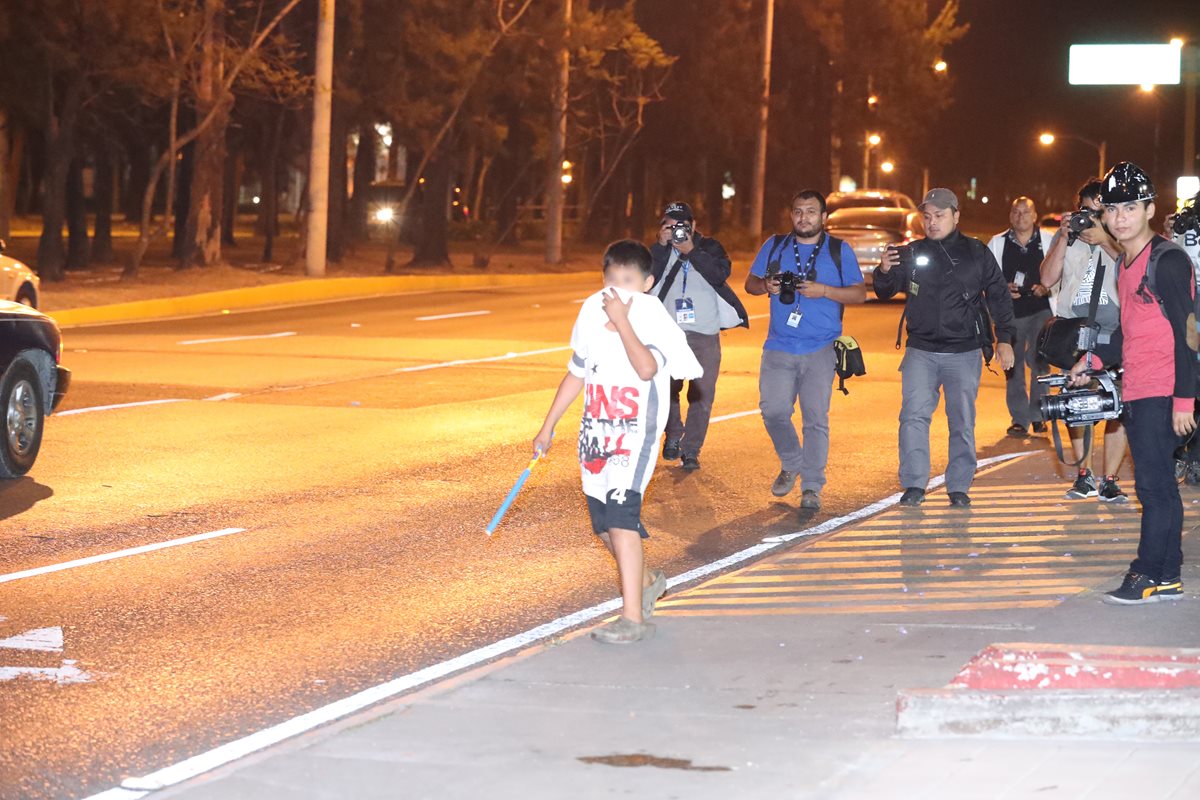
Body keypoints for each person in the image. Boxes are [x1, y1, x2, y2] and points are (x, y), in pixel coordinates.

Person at [533, 240, 702, 642]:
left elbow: (646, 369)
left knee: (621, 521)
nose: (617, 289)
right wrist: (547, 426)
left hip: (634, 436)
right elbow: (576, 373)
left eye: (628, 280)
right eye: (611, 280)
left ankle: (633, 619)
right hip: (596, 435)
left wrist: (623, 322)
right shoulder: (592, 315)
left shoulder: (652, 318)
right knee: (604, 527)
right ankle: (647, 582)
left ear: (646, 283)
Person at [1084, 163, 1197, 604]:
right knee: (1158, 486)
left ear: (1150, 209)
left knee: (1152, 488)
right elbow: (1132, 330)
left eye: (1130, 207)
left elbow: (1188, 333)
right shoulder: (1126, 263)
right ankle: (1167, 575)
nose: (1120, 217)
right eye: (1113, 209)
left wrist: (1184, 399)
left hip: (1164, 389)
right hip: (1138, 387)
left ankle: (1146, 572)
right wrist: (1093, 360)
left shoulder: (1167, 260)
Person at [873, 188, 1016, 508]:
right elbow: (886, 290)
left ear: (956, 216)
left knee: (961, 421)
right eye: (927, 216)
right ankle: (914, 484)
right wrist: (883, 271)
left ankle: (959, 486)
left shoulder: (976, 252)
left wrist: (1005, 338)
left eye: (939, 215)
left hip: (963, 352)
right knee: (912, 417)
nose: (932, 222)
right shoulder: (912, 252)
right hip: (920, 350)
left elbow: (998, 296)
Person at [744, 190, 866, 511]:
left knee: (815, 419)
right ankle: (791, 460)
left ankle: (812, 485)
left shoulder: (839, 250)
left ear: (823, 217)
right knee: (773, 411)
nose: (804, 217)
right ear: (791, 214)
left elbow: (859, 294)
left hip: (821, 346)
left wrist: (824, 290)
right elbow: (750, 284)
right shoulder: (776, 245)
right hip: (779, 345)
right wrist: (765, 286)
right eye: (798, 211)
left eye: (811, 212)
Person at [1039, 179, 1129, 502]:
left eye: (1098, 211)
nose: (1090, 217)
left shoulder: (1123, 236)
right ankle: (1084, 476)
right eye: (1085, 210)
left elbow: (1133, 269)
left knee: (1118, 406)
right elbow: (1047, 278)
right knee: (1076, 405)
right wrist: (1064, 237)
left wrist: (1105, 239)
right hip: (1074, 333)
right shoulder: (1067, 237)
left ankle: (1110, 479)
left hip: (1115, 332)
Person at [650, 201, 748, 472]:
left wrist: (691, 251)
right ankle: (673, 433)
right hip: (668, 333)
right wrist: (660, 247)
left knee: (702, 395)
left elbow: (719, 274)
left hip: (705, 332)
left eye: (681, 224)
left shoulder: (710, 247)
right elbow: (645, 280)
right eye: (669, 225)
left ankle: (691, 449)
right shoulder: (657, 251)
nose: (676, 230)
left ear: (693, 225)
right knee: (665, 389)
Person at [986, 197, 1055, 438]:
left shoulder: (1049, 240)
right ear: (1010, 215)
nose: (1020, 217)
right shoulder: (997, 243)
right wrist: (1003, 288)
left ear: (1035, 215)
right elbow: (987, 278)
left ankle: (1039, 415)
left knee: (1039, 361)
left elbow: (1062, 272)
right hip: (1011, 313)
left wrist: (1046, 287)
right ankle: (1019, 419)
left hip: (1041, 309)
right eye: (1016, 212)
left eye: (1026, 212)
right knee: (1011, 365)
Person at [1165, 191, 1200, 484]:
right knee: (1188, 382)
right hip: (1189, 309)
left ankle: (1188, 456)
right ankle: (1182, 454)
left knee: (1190, 383)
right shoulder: (1185, 224)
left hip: (1186, 307)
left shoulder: (1185, 223)